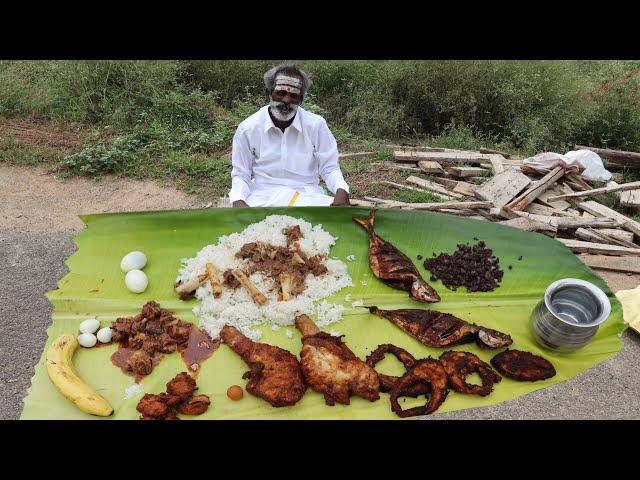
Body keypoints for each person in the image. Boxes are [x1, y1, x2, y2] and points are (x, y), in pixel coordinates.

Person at [229, 63, 351, 208]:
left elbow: (329, 168)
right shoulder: (248, 128)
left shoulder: (316, 125)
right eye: (281, 93)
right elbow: (241, 174)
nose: (286, 100)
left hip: (307, 198)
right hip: (262, 198)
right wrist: (238, 200)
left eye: (293, 95)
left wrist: (341, 190)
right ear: (268, 93)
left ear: (301, 100)